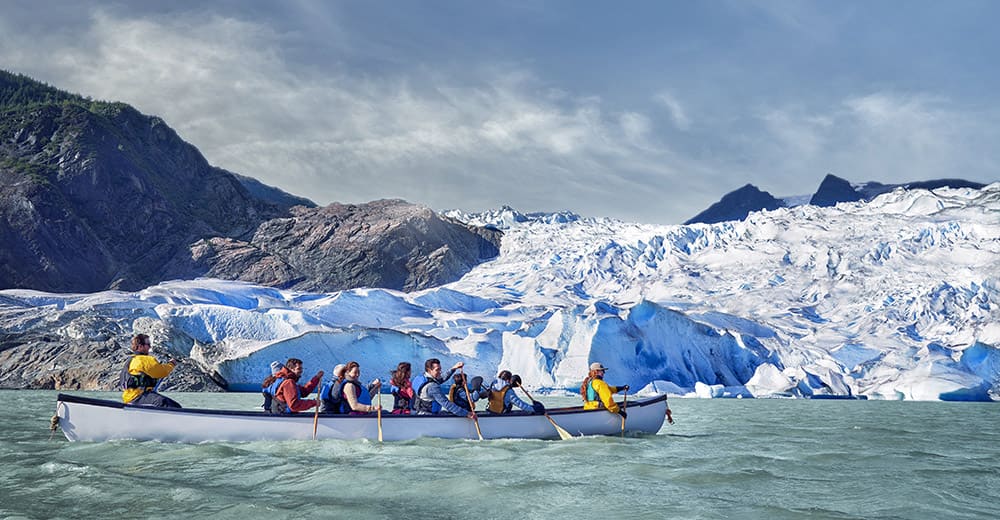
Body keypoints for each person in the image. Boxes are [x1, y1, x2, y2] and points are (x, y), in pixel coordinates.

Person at [119, 334, 181, 408]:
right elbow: (162, 372)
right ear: (140, 346)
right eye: (148, 344)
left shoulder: (131, 360)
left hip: (129, 398)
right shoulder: (144, 360)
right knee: (169, 404)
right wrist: (172, 364)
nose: (150, 347)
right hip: (139, 396)